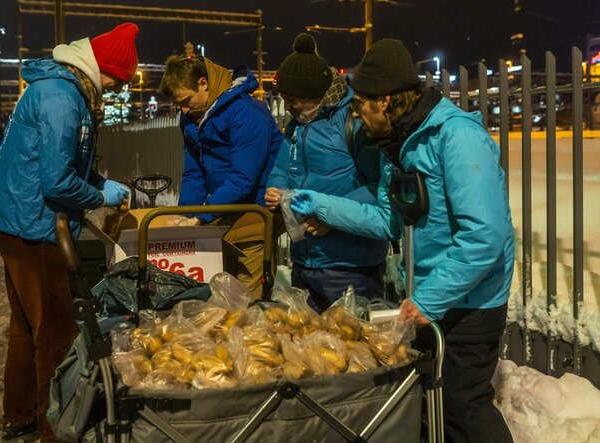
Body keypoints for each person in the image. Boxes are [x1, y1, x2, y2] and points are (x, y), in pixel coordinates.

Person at [290, 39, 514, 442]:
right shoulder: (398, 145)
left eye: (362, 105)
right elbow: (388, 222)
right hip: (432, 298)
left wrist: (428, 300)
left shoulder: (457, 137)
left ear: (388, 101)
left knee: (464, 406)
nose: (356, 114)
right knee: (433, 405)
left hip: (470, 302)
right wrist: (323, 205)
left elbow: (485, 236)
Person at [0, 22, 139, 442]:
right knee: (55, 332)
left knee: (24, 325)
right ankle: (56, 430)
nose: (115, 90)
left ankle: (21, 416)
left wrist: (104, 184)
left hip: (14, 216)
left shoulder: (60, 88)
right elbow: (57, 183)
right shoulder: (63, 99)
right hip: (33, 223)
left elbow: (67, 166)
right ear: (101, 69)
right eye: (116, 81)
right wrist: (102, 197)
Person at [265, 33, 388, 312]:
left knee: (351, 349)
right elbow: (282, 167)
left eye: (295, 100)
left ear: (316, 94)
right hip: (305, 260)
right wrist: (275, 188)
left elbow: (378, 185)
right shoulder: (296, 125)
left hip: (350, 266)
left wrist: (332, 216)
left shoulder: (354, 120)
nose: (290, 107)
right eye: (286, 100)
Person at [159, 54, 283, 299]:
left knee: (248, 295)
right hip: (224, 211)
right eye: (178, 104)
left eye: (186, 100)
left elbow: (244, 178)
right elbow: (194, 172)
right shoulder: (192, 117)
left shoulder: (246, 111)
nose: (183, 109)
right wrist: (185, 216)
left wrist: (200, 218)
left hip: (254, 211)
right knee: (222, 293)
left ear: (203, 84)